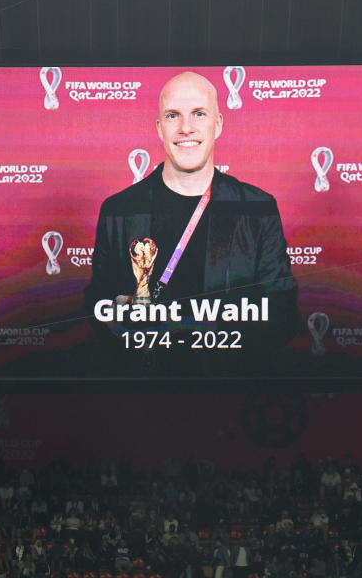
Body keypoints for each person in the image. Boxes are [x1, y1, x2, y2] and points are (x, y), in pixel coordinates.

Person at [85, 71, 300, 375]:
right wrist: (120, 313)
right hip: (146, 391)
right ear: (159, 128)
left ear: (219, 124)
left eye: (199, 114)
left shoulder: (257, 208)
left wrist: (217, 343)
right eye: (173, 116)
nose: (186, 128)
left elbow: (282, 312)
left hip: (229, 391)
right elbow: (97, 308)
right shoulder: (119, 210)